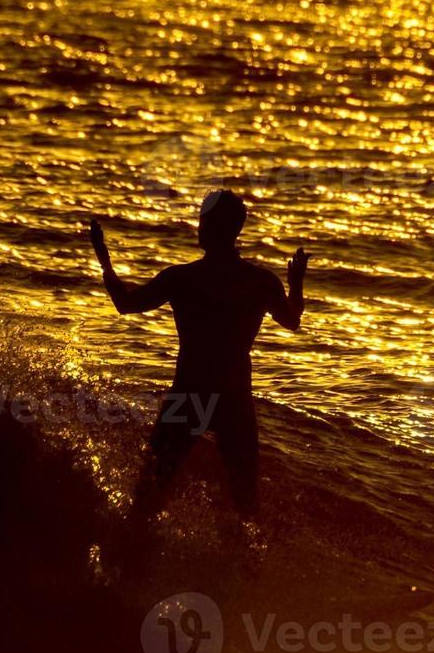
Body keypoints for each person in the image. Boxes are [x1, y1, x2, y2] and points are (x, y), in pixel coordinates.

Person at [88, 189, 308, 517]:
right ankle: (245, 566)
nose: (199, 229)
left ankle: (134, 558)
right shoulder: (261, 281)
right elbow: (292, 321)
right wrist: (296, 283)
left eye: (204, 223)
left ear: (218, 229)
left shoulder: (183, 278)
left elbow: (126, 304)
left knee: (148, 495)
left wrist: (104, 260)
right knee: (246, 503)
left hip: (189, 395)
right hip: (234, 400)